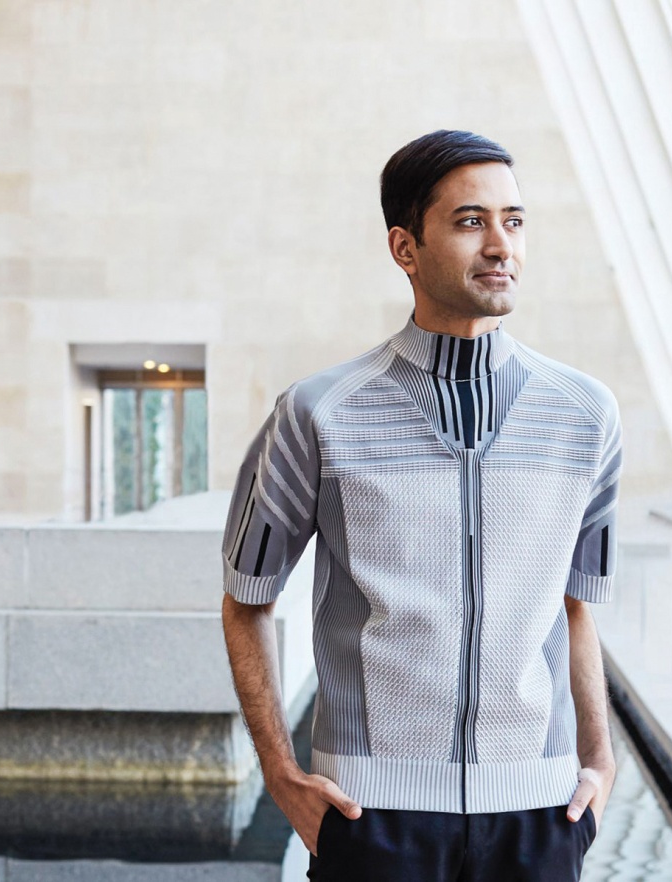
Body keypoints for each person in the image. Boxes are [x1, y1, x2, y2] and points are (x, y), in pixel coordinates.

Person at [220, 129, 620, 881]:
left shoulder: (585, 415)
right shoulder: (318, 413)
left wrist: (600, 762)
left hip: (540, 819)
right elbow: (246, 600)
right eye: (472, 222)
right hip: (372, 821)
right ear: (406, 248)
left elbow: (576, 606)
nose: (501, 244)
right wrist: (278, 772)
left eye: (515, 220)